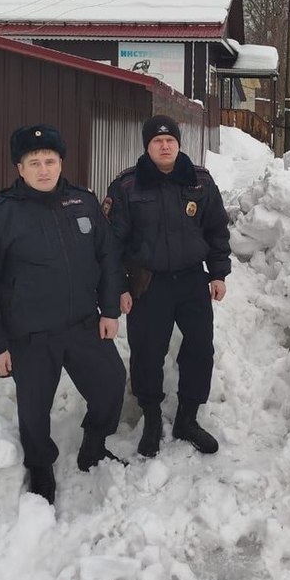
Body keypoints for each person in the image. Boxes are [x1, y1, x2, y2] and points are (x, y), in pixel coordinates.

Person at [0, 124, 127, 504]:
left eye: (49, 161)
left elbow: (108, 258)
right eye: (33, 162)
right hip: (31, 335)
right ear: (19, 169)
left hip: (84, 324)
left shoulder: (83, 203)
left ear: (60, 163)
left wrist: (110, 310)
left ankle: (94, 444)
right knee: (34, 410)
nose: (43, 169)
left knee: (112, 385)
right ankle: (40, 468)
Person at [104, 114, 231, 459]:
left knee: (200, 348)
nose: (164, 145)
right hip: (148, 283)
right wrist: (119, 288)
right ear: (147, 146)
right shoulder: (127, 187)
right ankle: (152, 418)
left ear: (178, 143)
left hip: (192, 280)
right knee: (146, 353)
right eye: (157, 141)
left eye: (170, 140)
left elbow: (217, 230)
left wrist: (218, 273)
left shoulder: (199, 181)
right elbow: (111, 245)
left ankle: (187, 419)